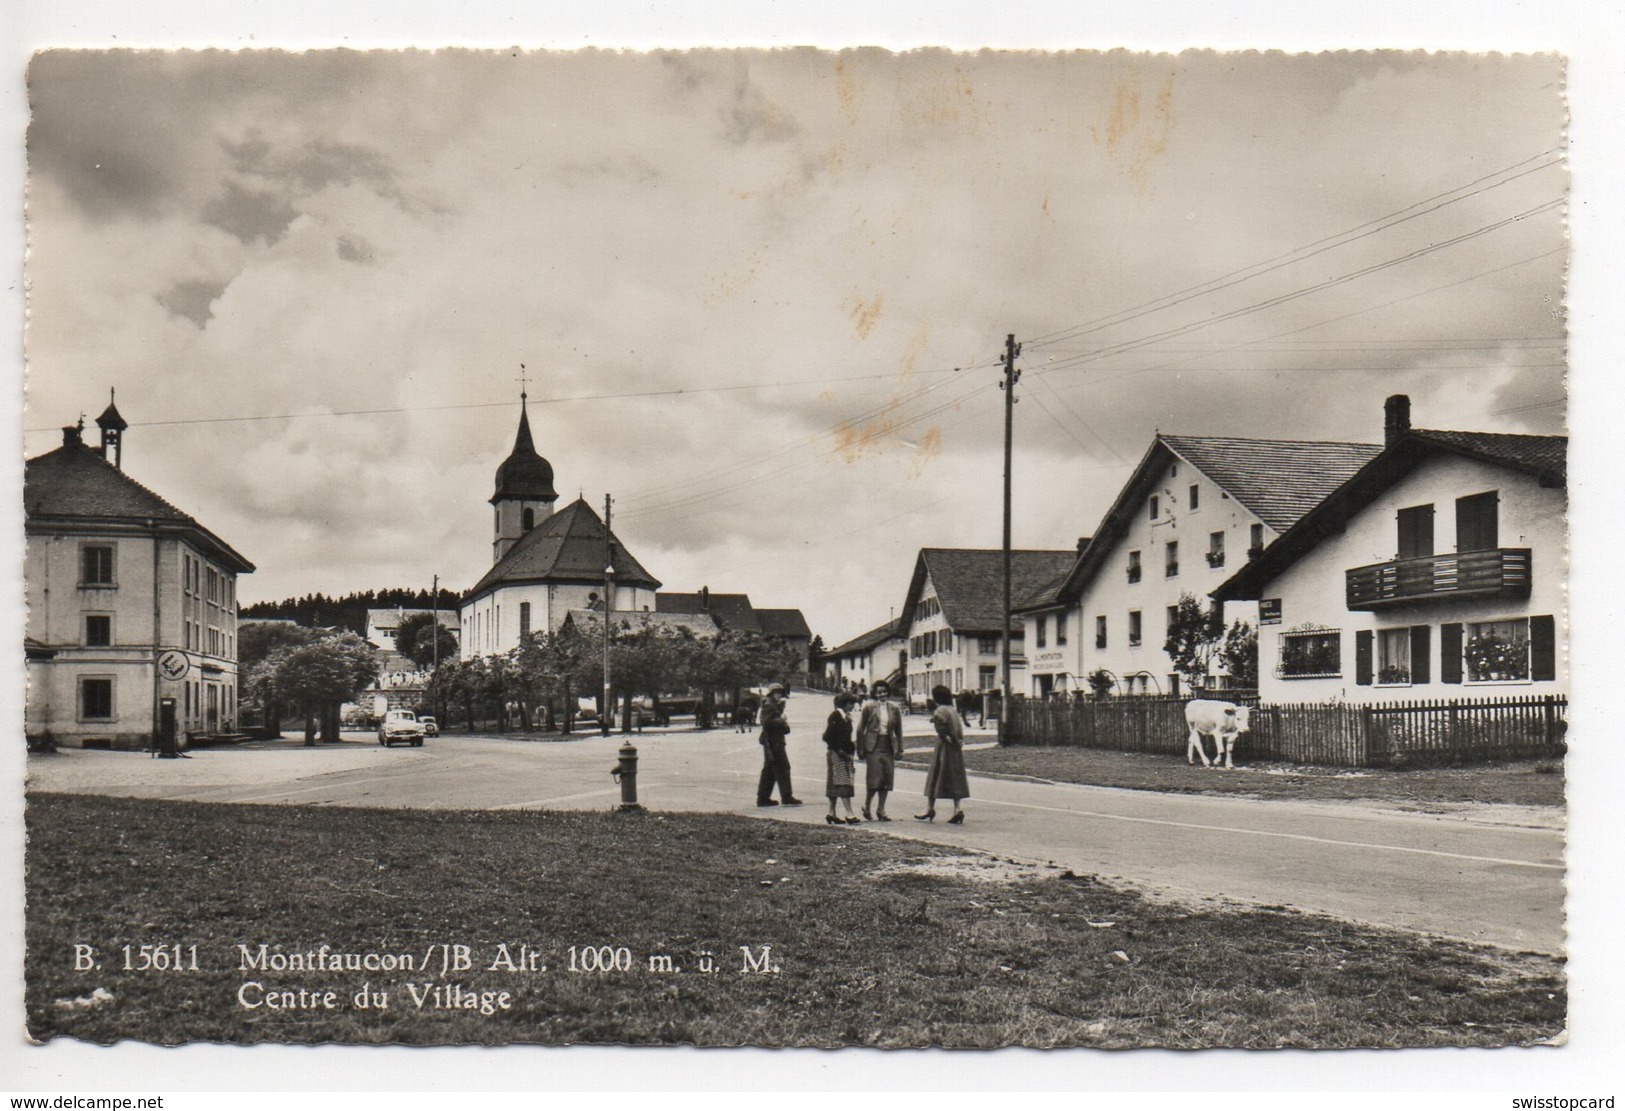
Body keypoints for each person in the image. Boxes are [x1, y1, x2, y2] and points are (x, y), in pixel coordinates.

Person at [918, 684, 970, 823]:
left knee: (935, 775)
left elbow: (942, 731)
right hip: (956, 749)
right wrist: (957, 742)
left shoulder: (939, 711)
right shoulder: (953, 711)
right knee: (955, 777)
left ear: (936, 698)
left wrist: (949, 739)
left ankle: (929, 807)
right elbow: (959, 730)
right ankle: (957, 808)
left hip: (944, 747)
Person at [855, 680, 905, 821]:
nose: (882, 694)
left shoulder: (894, 709)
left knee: (887, 779)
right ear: (875, 694)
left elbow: (898, 730)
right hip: (873, 747)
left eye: (884, 691)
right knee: (874, 779)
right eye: (879, 692)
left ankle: (881, 809)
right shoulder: (869, 708)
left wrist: (900, 748)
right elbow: (860, 729)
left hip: (888, 746)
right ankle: (867, 805)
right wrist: (860, 748)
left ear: (888, 692)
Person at [756, 684, 801, 807]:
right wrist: (782, 720)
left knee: (770, 770)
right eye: (776, 692)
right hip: (773, 742)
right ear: (771, 693)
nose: (779, 694)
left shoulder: (773, 704)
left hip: (774, 741)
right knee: (783, 767)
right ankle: (786, 796)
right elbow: (766, 722)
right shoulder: (769, 705)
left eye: (780, 692)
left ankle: (763, 798)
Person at [822, 691, 860, 825]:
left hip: (844, 754)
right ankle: (849, 814)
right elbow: (827, 736)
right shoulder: (836, 716)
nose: (852, 706)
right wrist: (839, 749)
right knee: (843, 782)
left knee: (835, 782)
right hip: (836, 754)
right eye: (850, 703)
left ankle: (831, 813)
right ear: (843, 704)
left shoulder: (846, 717)